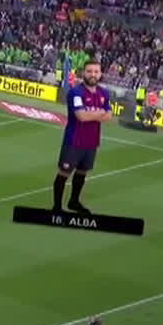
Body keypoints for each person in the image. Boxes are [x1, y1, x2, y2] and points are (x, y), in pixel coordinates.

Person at [52, 60, 111, 214]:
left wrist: (93, 114)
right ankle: (57, 207)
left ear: (100, 74)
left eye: (96, 72)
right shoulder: (76, 92)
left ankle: (74, 202)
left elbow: (108, 116)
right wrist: (99, 113)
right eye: (89, 71)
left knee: (82, 172)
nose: (93, 75)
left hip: (91, 141)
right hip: (74, 140)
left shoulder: (104, 93)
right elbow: (81, 116)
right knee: (64, 173)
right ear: (84, 73)